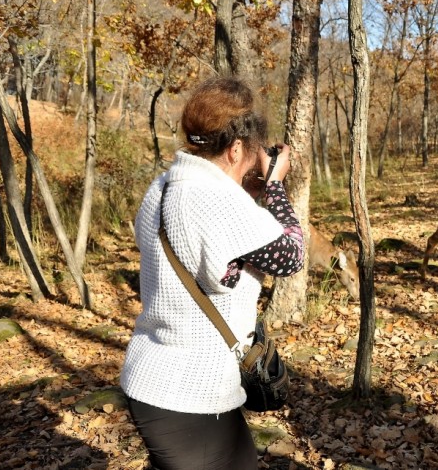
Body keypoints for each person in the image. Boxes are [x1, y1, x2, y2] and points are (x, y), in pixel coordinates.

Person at [120, 77, 304, 470]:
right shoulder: (216, 200)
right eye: (253, 152)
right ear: (236, 148)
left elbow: (207, 247)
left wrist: (252, 188)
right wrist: (274, 186)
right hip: (188, 396)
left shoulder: (164, 187)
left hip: (154, 380)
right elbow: (291, 254)